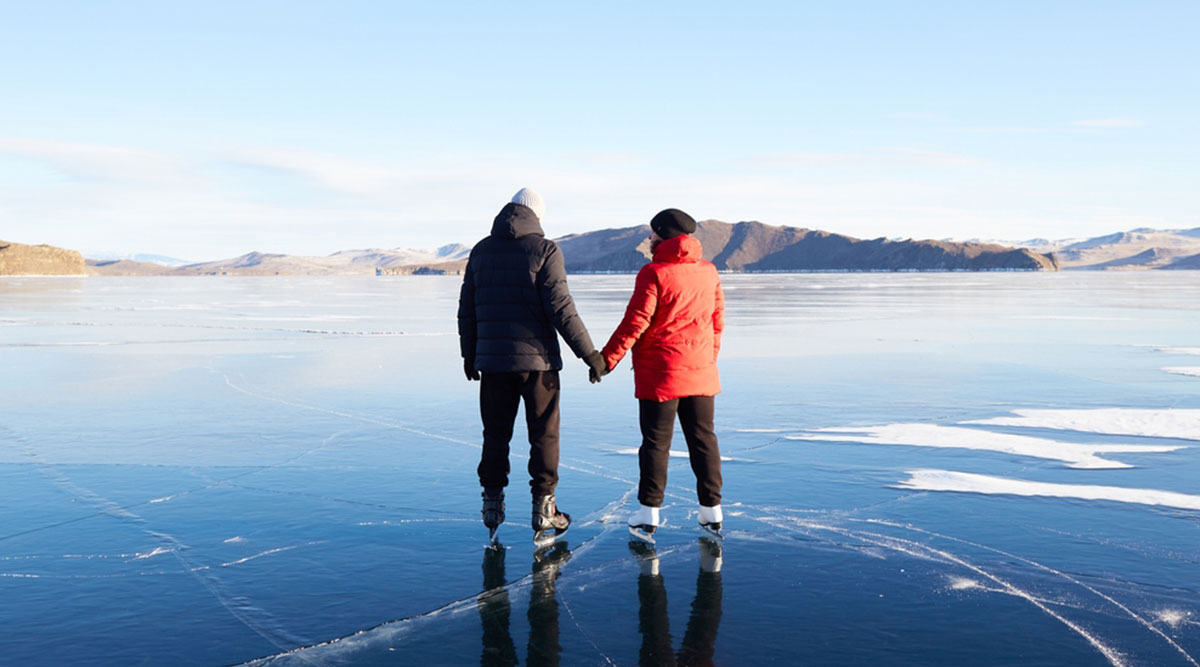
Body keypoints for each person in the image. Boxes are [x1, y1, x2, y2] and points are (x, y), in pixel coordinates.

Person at [458, 187, 608, 545]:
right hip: (538, 363)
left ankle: (492, 504)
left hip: (493, 364)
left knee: (495, 433)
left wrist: (469, 353)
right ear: (537, 216)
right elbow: (561, 308)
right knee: (543, 433)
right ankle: (545, 508)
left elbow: (467, 308)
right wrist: (590, 354)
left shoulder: (481, 250)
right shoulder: (545, 250)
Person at [596, 208, 726, 540]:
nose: (649, 238)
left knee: (655, 443)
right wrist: (706, 361)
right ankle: (712, 512)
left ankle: (648, 514)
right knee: (703, 440)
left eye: (653, 233)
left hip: (662, 374)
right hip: (700, 372)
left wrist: (607, 360)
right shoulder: (709, 272)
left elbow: (635, 322)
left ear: (663, 235)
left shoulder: (653, 273)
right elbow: (717, 323)